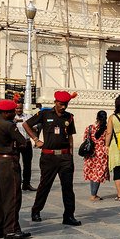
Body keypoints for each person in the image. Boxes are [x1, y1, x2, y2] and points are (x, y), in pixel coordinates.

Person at [24, 90, 81, 226]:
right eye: (61, 104)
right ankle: (36, 210)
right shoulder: (44, 114)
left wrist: (71, 156)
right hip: (49, 157)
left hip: (65, 156)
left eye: (65, 104)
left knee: (67, 187)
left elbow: (71, 137)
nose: (63, 107)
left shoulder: (69, 117)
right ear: (55, 102)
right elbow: (27, 124)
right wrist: (36, 139)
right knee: (45, 185)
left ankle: (68, 215)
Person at [0, 99, 30, 239]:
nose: (14, 114)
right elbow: (23, 142)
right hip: (7, 162)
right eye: (12, 111)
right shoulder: (9, 125)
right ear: (5, 113)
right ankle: (11, 229)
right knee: (12, 197)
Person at [82, 110, 110, 201]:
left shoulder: (89, 128)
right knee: (98, 173)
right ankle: (93, 195)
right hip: (101, 153)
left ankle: (93, 193)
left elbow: (85, 139)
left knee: (92, 173)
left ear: (97, 118)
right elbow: (107, 141)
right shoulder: (106, 129)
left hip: (90, 153)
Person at [14, 106, 35, 191]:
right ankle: (17, 183)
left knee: (27, 164)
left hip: (27, 142)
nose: (19, 110)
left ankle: (26, 183)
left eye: (20, 108)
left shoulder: (28, 116)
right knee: (16, 164)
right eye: (17, 108)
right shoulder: (12, 117)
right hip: (16, 143)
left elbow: (34, 127)